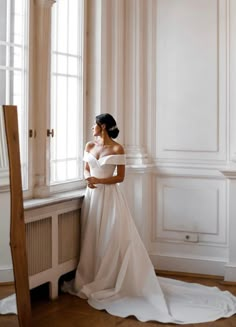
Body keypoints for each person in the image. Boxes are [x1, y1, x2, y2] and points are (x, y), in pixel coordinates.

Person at [62, 113, 236, 324]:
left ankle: (110, 278)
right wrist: (87, 179)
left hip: (110, 197)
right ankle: (91, 275)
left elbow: (120, 177)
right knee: (91, 236)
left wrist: (98, 179)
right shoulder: (89, 146)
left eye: (95, 124)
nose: (92, 127)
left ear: (103, 126)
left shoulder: (117, 148)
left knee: (111, 237)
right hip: (92, 197)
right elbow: (86, 167)